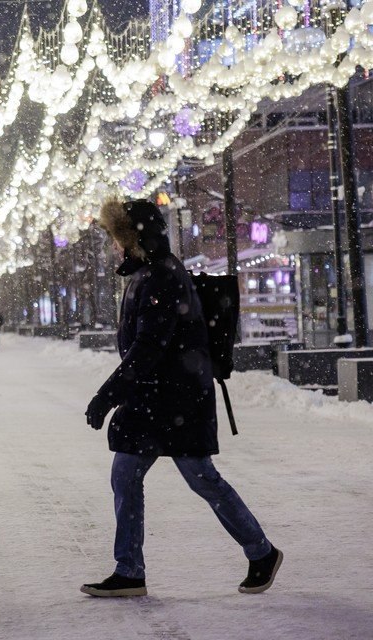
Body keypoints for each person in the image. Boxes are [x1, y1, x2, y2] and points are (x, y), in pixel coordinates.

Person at [81, 198, 281, 598]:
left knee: (201, 478)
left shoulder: (161, 277)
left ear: (135, 238)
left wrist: (106, 396)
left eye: (118, 238)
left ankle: (261, 551)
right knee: (129, 474)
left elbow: (148, 347)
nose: (114, 247)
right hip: (160, 400)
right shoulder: (148, 273)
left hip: (177, 400)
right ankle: (130, 570)